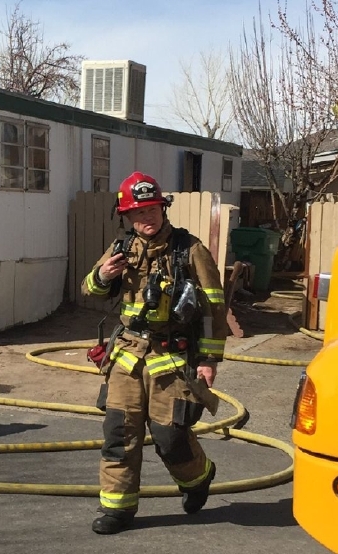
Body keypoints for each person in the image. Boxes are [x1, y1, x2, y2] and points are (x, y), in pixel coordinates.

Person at [81, 171, 228, 535]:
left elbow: (213, 307)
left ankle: (198, 478)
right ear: (127, 217)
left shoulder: (189, 250)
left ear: (163, 210)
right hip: (127, 356)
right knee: (119, 436)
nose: (146, 218)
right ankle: (118, 509)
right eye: (137, 213)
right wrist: (103, 274)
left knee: (171, 437)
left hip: (172, 358)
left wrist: (208, 361)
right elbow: (90, 290)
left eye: (152, 210)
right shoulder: (121, 249)